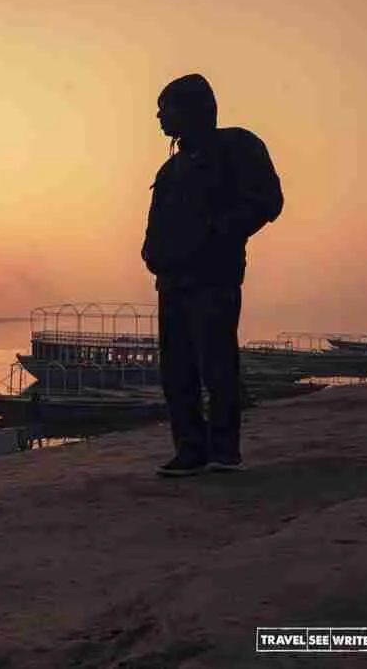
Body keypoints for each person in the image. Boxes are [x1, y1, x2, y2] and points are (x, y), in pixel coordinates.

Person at [142, 73, 283, 477]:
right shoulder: (170, 169)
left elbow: (267, 201)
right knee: (176, 370)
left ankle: (224, 451)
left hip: (214, 277)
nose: (158, 116)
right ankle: (189, 450)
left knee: (217, 365)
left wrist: (217, 235)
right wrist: (151, 254)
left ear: (191, 109)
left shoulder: (236, 146)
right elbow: (157, 222)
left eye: (165, 107)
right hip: (172, 281)